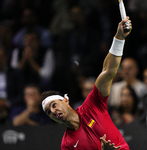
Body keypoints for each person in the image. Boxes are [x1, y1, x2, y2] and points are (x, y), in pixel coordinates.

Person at [40, 17, 132, 150]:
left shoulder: (92, 106)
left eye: (54, 105)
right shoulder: (67, 145)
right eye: (49, 112)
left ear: (66, 100)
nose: (53, 111)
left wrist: (119, 37)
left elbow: (108, 72)